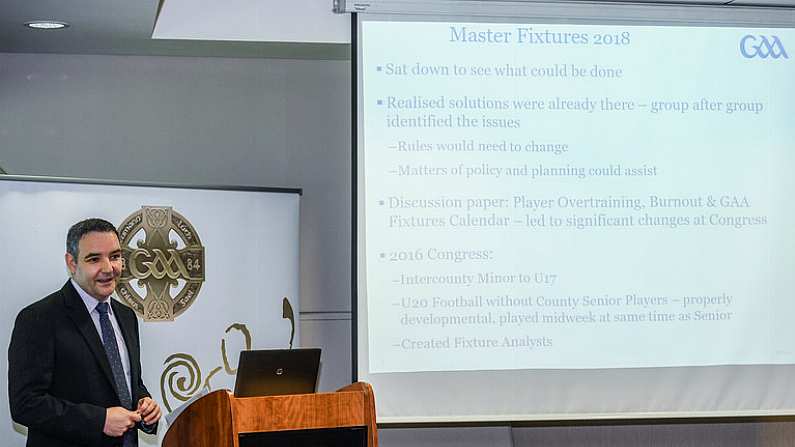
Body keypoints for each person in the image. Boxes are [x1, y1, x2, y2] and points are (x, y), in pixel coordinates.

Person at [8, 218, 161, 447]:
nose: (109, 268)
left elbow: (126, 382)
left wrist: (144, 403)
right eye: (94, 259)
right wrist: (100, 421)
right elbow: (25, 405)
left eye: (115, 256)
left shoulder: (127, 316)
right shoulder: (38, 318)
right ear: (72, 263)